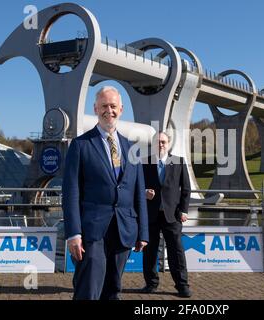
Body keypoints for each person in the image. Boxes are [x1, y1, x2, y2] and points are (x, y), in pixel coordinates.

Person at [62, 86, 149, 300]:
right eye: (103, 106)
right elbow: (71, 192)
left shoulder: (132, 148)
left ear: (121, 109)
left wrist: (143, 232)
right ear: (95, 109)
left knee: (113, 290)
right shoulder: (80, 145)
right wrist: (73, 233)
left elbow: (138, 192)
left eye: (112, 106)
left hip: (124, 230)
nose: (108, 110)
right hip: (92, 231)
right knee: (88, 291)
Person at [141, 131, 192, 298]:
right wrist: (143, 192)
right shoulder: (144, 162)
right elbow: (136, 186)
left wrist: (183, 210)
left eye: (163, 142)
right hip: (150, 215)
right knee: (149, 251)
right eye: (157, 142)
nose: (160, 145)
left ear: (168, 144)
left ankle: (182, 286)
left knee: (176, 252)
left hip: (172, 215)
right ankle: (151, 284)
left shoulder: (178, 162)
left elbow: (186, 189)